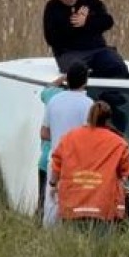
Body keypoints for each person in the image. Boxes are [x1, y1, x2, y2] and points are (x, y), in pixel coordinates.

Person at [49, 100, 129, 236]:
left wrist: (53, 185)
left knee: (70, 245)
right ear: (108, 119)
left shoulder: (69, 137)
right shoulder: (119, 143)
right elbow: (126, 172)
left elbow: (56, 164)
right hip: (102, 205)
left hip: (72, 204)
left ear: (89, 116)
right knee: (100, 246)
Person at [42, 0, 128, 78]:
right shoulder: (52, 8)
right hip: (69, 53)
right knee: (78, 73)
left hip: (98, 49)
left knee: (118, 67)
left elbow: (108, 21)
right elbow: (51, 39)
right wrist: (74, 25)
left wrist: (87, 22)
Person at [40, 62, 94, 226]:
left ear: (67, 80)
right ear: (85, 81)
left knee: (52, 204)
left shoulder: (54, 101)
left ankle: (49, 235)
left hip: (55, 161)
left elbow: (44, 133)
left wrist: (59, 135)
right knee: (75, 206)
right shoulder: (89, 104)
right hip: (78, 163)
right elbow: (91, 137)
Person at [36, 75, 65, 218]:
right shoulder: (86, 100)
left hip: (46, 160)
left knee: (43, 202)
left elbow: (46, 90)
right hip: (63, 164)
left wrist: (62, 78)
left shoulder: (53, 95)